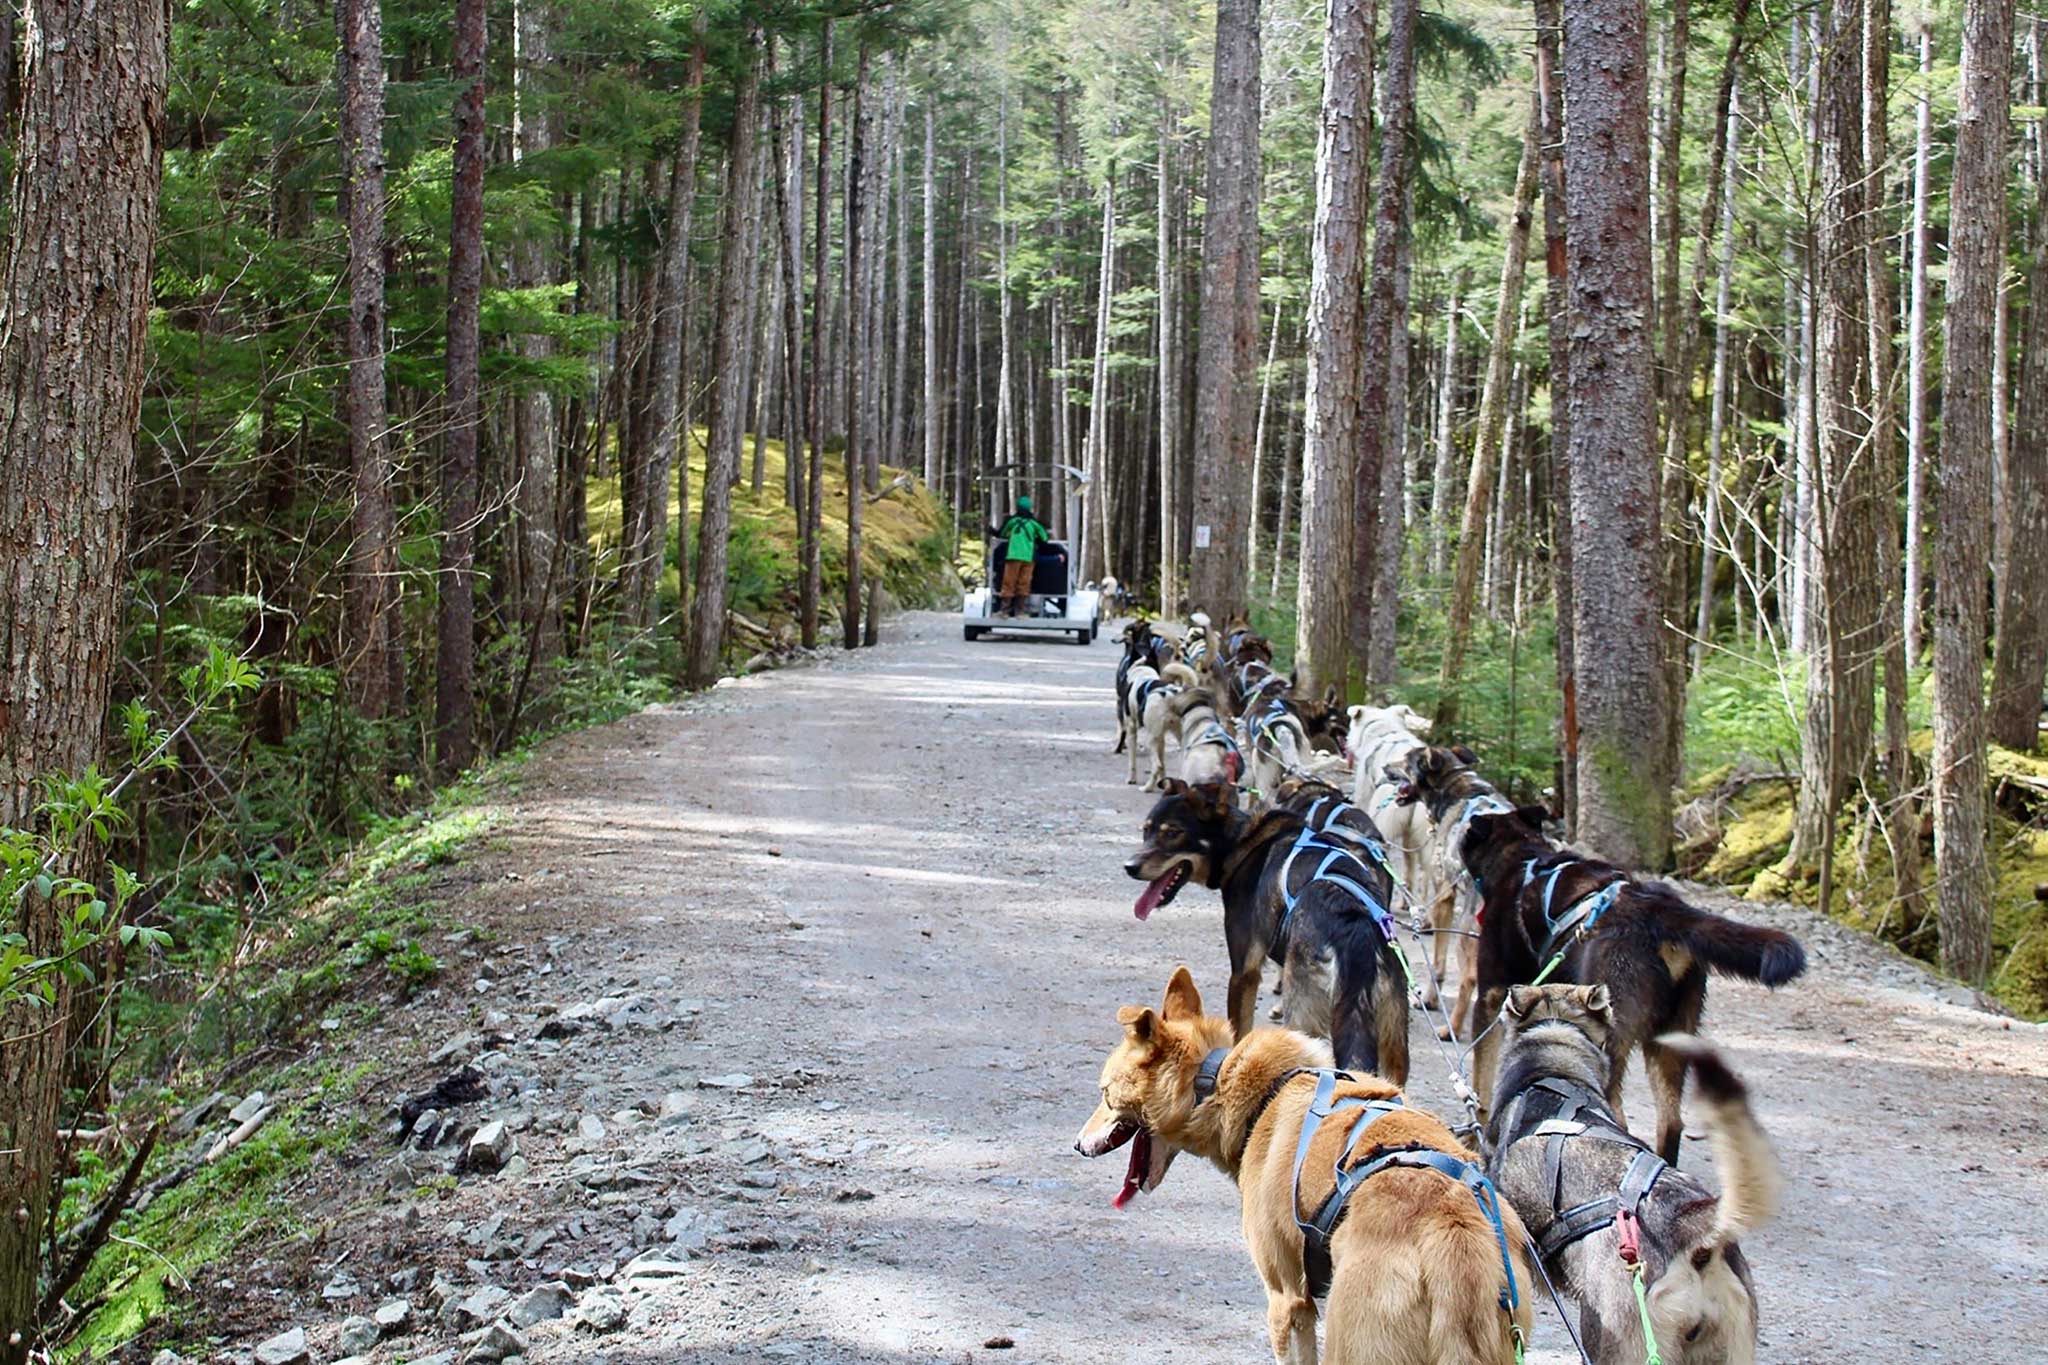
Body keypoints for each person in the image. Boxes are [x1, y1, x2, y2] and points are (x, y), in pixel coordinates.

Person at [992, 495, 1049, 617]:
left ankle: (1004, 611)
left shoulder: (1013, 521)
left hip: (1013, 556)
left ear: (1018, 507)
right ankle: (1020, 611)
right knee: (1024, 583)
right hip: (1028, 558)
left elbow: (1002, 534)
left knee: (1008, 583)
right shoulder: (1034, 524)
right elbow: (1044, 538)